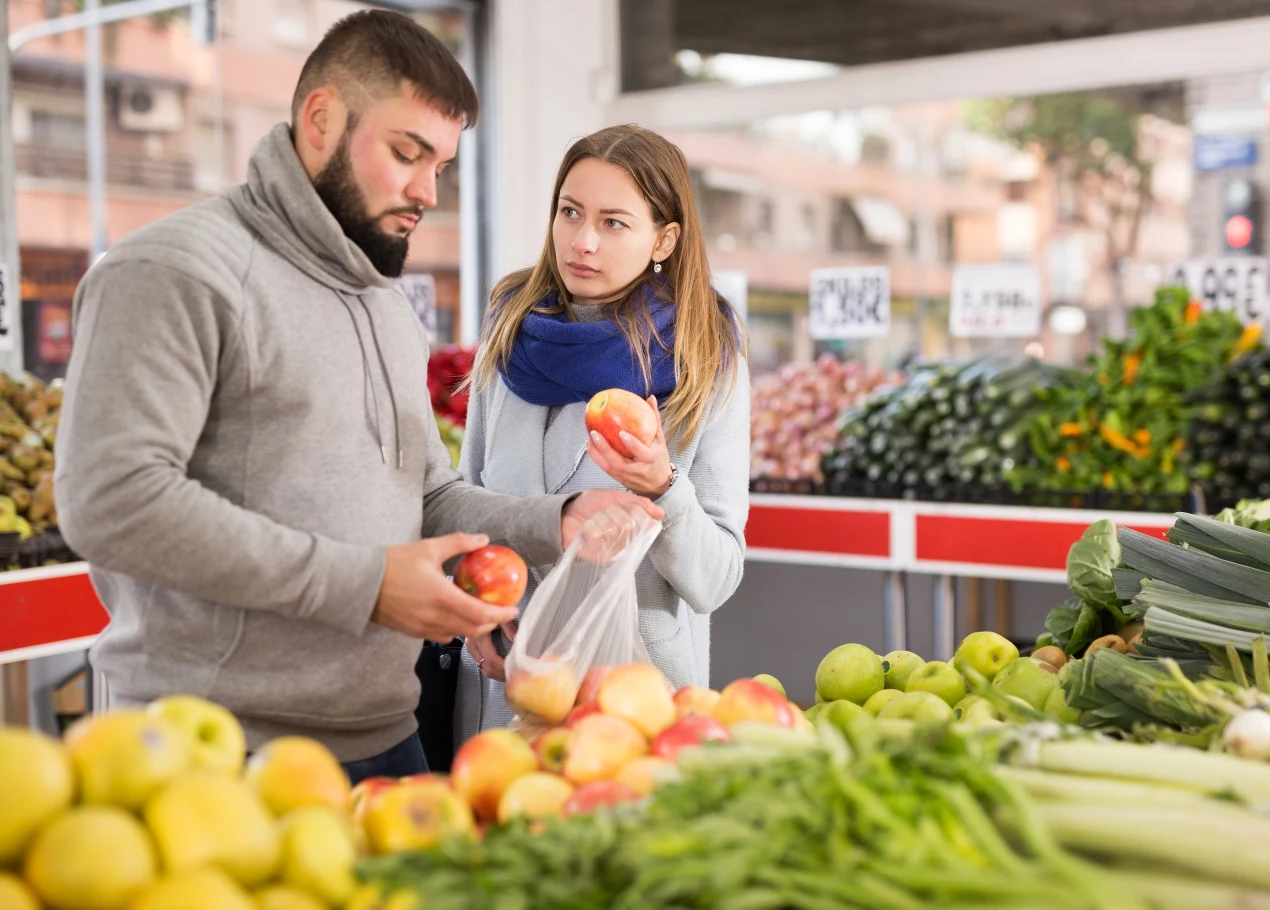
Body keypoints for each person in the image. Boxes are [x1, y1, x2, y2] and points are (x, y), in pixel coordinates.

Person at [53, 10, 659, 783]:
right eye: (407, 154)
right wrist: (366, 587)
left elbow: (424, 495)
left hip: (385, 736)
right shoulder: (172, 272)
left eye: (440, 164)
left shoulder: (381, 298)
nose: (426, 190)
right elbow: (113, 501)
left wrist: (556, 522)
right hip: (214, 750)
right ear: (320, 119)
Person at [452, 124, 750, 744]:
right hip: (503, 683)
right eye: (569, 212)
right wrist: (468, 603)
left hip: (634, 702)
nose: (582, 241)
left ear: (664, 238)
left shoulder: (703, 352)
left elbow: (715, 579)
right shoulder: (511, 325)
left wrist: (663, 488)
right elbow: (468, 498)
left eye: (614, 222)